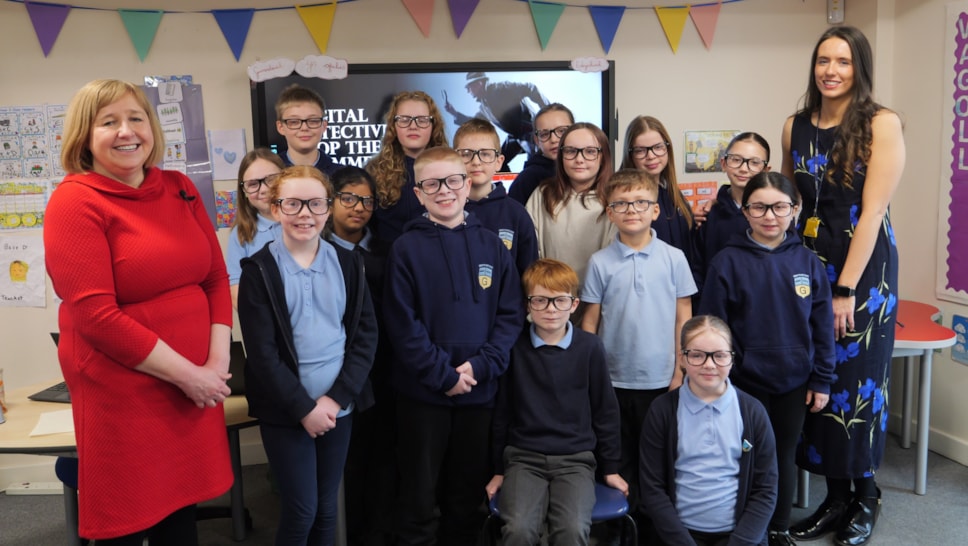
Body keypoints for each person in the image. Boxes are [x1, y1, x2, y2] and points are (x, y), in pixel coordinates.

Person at [44, 79, 234, 544]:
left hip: (193, 388)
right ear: (84, 137)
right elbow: (96, 316)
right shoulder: (74, 201)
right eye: (108, 122)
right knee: (126, 520)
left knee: (181, 513)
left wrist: (217, 364)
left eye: (136, 118)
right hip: (125, 393)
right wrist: (190, 375)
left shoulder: (179, 187)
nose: (126, 131)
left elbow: (213, 278)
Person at [781, 26, 904, 546]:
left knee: (858, 377)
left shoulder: (882, 123)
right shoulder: (795, 126)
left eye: (844, 62)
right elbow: (791, 204)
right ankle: (835, 498)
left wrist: (845, 289)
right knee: (818, 378)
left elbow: (873, 211)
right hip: (808, 265)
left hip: (863, 271)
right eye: (823, 60)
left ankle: (867, 494)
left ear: (860, 69)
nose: (831, 70)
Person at [383, 146, 524, 545]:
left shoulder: (493, 246)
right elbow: (402, 324)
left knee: (467, 498)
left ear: (467, 184)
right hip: (422, 396)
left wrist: (481, 367)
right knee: (418, 498)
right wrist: (442, 375)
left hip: (479, 393)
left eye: (452, 180)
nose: (443, 190)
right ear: (419, 193)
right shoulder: (404, 249)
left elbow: (510, 314)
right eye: (432, 183)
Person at [237, 165, 378, 545]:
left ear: (328, 208)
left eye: (315, 204)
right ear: (276, 207)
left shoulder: (350, 264)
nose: (305, 214)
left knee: (327, 508)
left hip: (338, 409)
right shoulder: (259, 271)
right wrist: (305, 409)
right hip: (286, 411)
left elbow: (365, 337)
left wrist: (334, 401)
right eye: (294, 204)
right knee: (302, 510)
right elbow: (262, 354)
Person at [699, 171, 836, 546]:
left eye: (779, 206)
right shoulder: (726, 262)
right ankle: (744, 525)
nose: (770, 215)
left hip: (795, 381)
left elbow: (822, 327)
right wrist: (719, 375)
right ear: (745, 211)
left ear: (795, 209)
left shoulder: (809, 263)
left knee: (783, 453)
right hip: (742, 382)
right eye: (759, 206)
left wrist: (822, 378)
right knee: (744, 453)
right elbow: (713, 325)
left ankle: (778, 527)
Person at [580, 168, 696, 540]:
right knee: (615, 455)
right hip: (613, 380)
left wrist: (681, 370)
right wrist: (587, 376)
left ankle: (651, 528)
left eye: (641, 202)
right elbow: (590, 324)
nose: (632, 210)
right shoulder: (600, 262)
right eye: (622, 204)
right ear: (609, 211)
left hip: (661, 378)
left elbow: (684, 317)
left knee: (657, 457)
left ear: (655, 210)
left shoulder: (675, 258)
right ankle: (616, 527)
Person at [487, 258, 627, 546]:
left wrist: (610, 468)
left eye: (560, 301)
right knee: (519, 529)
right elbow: (501, 413)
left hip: (575, 461)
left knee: (572, 529)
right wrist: (498, 470)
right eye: (540, 300)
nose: (550, 310)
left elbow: (606, 411)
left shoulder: (590, 348)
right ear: (527, 304)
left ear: (574, 305)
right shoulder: (514, 348)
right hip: (523, 459)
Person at [639, 315, 778, 546]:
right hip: (679, 537)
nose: (709, 364)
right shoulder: (662, 411)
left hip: (739, 538)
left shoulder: (753, 412)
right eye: (697, 355)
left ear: (732, 359)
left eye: (720, 355)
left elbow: (766, 490)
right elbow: (652, 488)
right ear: (682, 359)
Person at [326, 166, 396, 546]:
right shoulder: (319, 250)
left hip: (387, 364)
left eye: (367, 200)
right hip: (343, 370)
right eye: (349, 198)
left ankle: (380, 532)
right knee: (350, 460)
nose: (359, 208)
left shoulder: (387, 245)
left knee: (385, 455)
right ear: (332, 200)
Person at [525, 122, 616, 288]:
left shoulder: (616, 198)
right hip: (553, 299)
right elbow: (531, 251)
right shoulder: (543, 194)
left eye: (589, 152)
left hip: (601, 301)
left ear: (603, 157)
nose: (579, 159)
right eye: (571, 151)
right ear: (561, 156)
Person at [455, 117, 539, 276]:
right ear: (454, 159)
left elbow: (530, 276)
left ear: (499, 162)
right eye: (466, 154)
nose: (476, 161)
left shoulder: (517, 215)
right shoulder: (444, 212)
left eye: (485, 154)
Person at [367, 90, 448, 245]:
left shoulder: (452, 169)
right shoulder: (374, 172)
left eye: (422, 120)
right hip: (390, 262)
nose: (413, 126)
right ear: (393, 125)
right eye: (404, 120)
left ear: (433, 125)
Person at [694, 132, 771, 287]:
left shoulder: (773, 216)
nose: (743, 168)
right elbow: (697, 269)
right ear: (723, 163)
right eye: (736, 160)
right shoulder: (707, 216)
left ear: (765, 170)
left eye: (754, 162)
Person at [620, 115, 696, 266]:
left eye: (658, 147)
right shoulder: (624, 198)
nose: (651, 156)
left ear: (667, 148)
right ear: (631, 155)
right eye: (641, 150)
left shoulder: (672, 192)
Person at [443, 71, 550, 170]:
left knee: (533, 165)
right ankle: (507, 188)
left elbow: (530, 88)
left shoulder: (501, 88)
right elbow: (474, 123)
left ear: (479, 83)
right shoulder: (484, 107)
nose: (468, 91)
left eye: (469, 87)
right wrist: (454, 113)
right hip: (515, 136)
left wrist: (549, 110)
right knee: (497, 163)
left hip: (529, 131)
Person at [227, 148, 286, 308]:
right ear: (244, 191)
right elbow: (237, 291)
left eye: (272, 179)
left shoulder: (304, 222)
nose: (265, 189)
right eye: (253, 184)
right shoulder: (241, 234)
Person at [508, 103, 574, 205]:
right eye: (544, 134)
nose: (553, 139)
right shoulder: (526, 180)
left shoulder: (590, 170)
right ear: (537, 141)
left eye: (561, 131)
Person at [275, 84, 340, 175]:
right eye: (294, 122)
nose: (304, 128)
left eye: (313, 121)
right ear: (281, 127)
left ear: (324, 126)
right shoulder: (270, 175)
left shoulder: (343, 176)